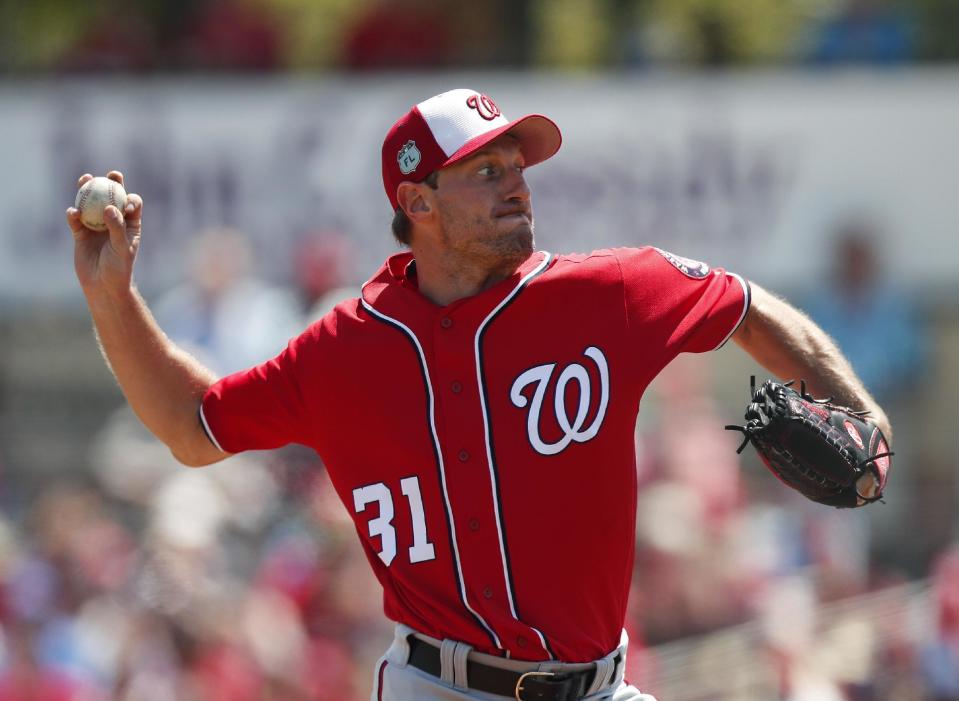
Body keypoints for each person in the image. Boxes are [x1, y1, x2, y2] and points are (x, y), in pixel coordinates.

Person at [67, 88, 891, 701]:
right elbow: (189, 423)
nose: (517, 186)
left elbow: (744, 303)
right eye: (486, 170)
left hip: (599, 685)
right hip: (440, 685)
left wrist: (859, 411)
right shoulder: (345, 349)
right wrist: (112, 298)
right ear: (417, 203)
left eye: (518, 168)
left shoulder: (607, 294)